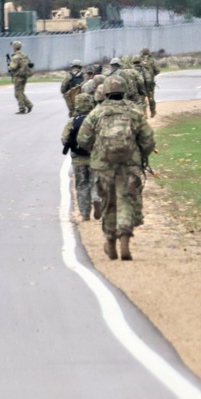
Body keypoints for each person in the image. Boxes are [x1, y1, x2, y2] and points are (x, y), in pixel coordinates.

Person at [77, 76, 156, 261]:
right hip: (129, 165)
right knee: (126, 200)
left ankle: (110, 242)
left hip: (103, 166)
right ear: (124, 90)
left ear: (105, 92)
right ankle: (125, 240)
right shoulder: (134, 111)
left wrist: (97, 151)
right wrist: (141, 155)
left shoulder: (97, 112)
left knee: (108, 203)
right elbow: (148, 140)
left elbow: (83, 139)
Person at [61, 93, 97, 221]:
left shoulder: (73, 121)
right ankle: (96, 199)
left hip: (78, 159)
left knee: (81, 185)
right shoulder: (96, 120)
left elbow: (64, 139)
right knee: (95, 183)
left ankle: (85, 214)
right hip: (95, 159)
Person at [7, 40, 34, 114]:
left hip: (18, 76)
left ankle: (22, 108)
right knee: (20, 92)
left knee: (18, 93)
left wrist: (9, 66)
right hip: (24, 76)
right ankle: (28, 105)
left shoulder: (16, 57)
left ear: (14, 48)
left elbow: (13, 67)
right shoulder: (23, 56)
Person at [139, 47, 161, 116]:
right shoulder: (152, 60)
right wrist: (152, 75)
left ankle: (144, 111)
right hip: (150, 82)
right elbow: (157, 70)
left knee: (142, 97)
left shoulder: (139, 60)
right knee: (151, 96)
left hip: (141, 82)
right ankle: (153, 111)